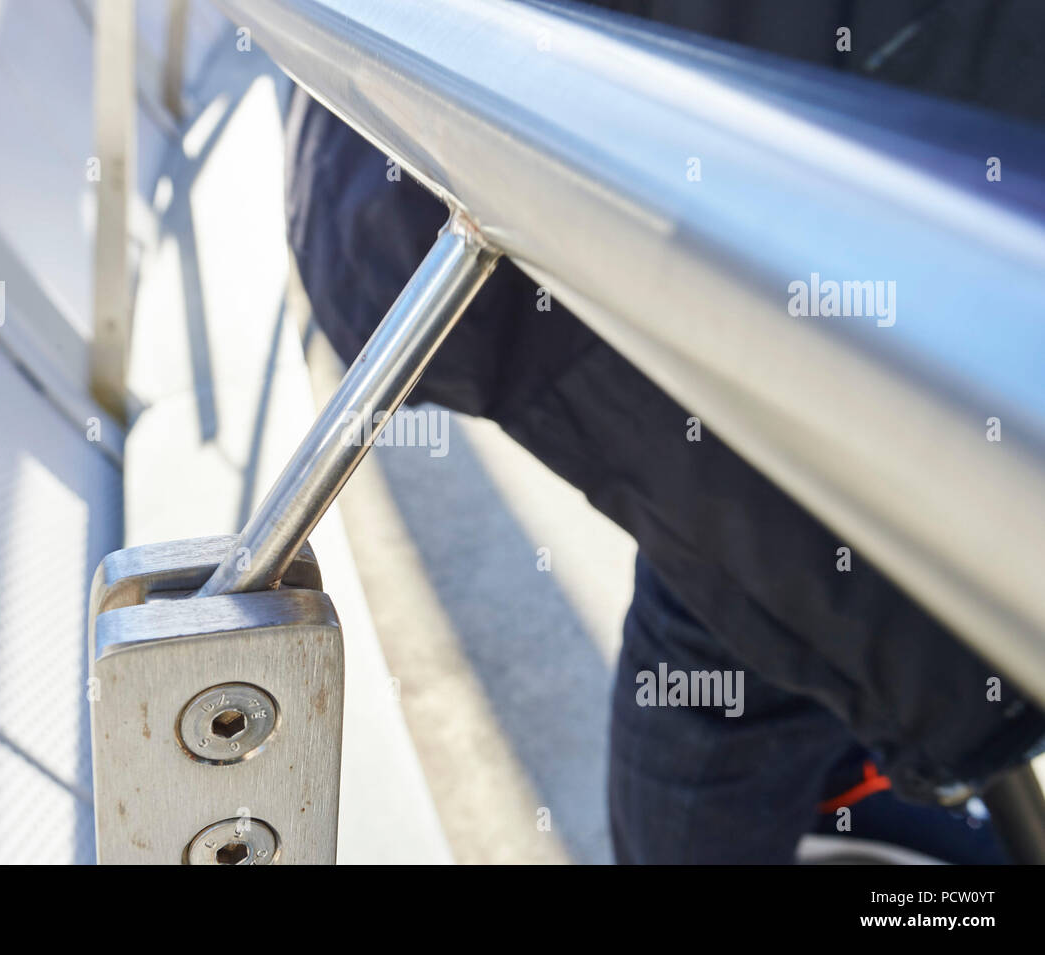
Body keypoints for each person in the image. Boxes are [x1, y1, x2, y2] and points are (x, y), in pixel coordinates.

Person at [284, 0, 1045, 862]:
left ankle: (832, 779)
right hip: (522, 147)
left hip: (728, 131)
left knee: (770, 602)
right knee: (760, 616)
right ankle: (804, 772)